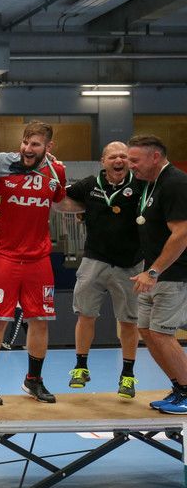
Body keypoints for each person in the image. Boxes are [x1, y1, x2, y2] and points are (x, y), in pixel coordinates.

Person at [0, 121, 67, 404]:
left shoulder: (57, 171)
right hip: (4, 254)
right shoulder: (2, 164)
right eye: (25, 142)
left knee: (40, 320)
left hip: (39, 257)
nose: (27, 148)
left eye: (35, 144)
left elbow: (60, 200)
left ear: (48, 147)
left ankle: (33, 380)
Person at [58, 141, 144, 399]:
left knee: (128, 321)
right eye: (113, 157)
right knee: (85, 315)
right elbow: (61, 200)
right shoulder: (89, 185)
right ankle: (80, 367)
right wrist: (79, 209)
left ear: (129, 161)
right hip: (94, 259)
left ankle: (127, 375)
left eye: (123, 157)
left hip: (130, 264)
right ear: (103, 161)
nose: (119, 161)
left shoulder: (141, 185)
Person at [126, 135, 187, 414]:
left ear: (155, 157)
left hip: (172, 274)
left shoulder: (175, 182)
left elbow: (182, 233)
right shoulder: (150, 183)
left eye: (135, 160)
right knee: (147, 331)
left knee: (162, 333)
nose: (131, 165)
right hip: (154, 274)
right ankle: (179, 388)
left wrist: (153, 271)